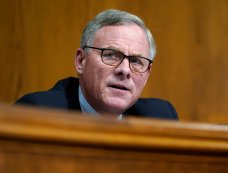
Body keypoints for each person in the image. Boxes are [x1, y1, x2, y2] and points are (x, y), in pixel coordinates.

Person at [15, 9, 178, 120]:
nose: (124, 70)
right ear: (80, 61)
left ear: (147, 73)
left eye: (136, 61)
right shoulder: (38, 113)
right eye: (111, 55)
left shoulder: (160, 118)